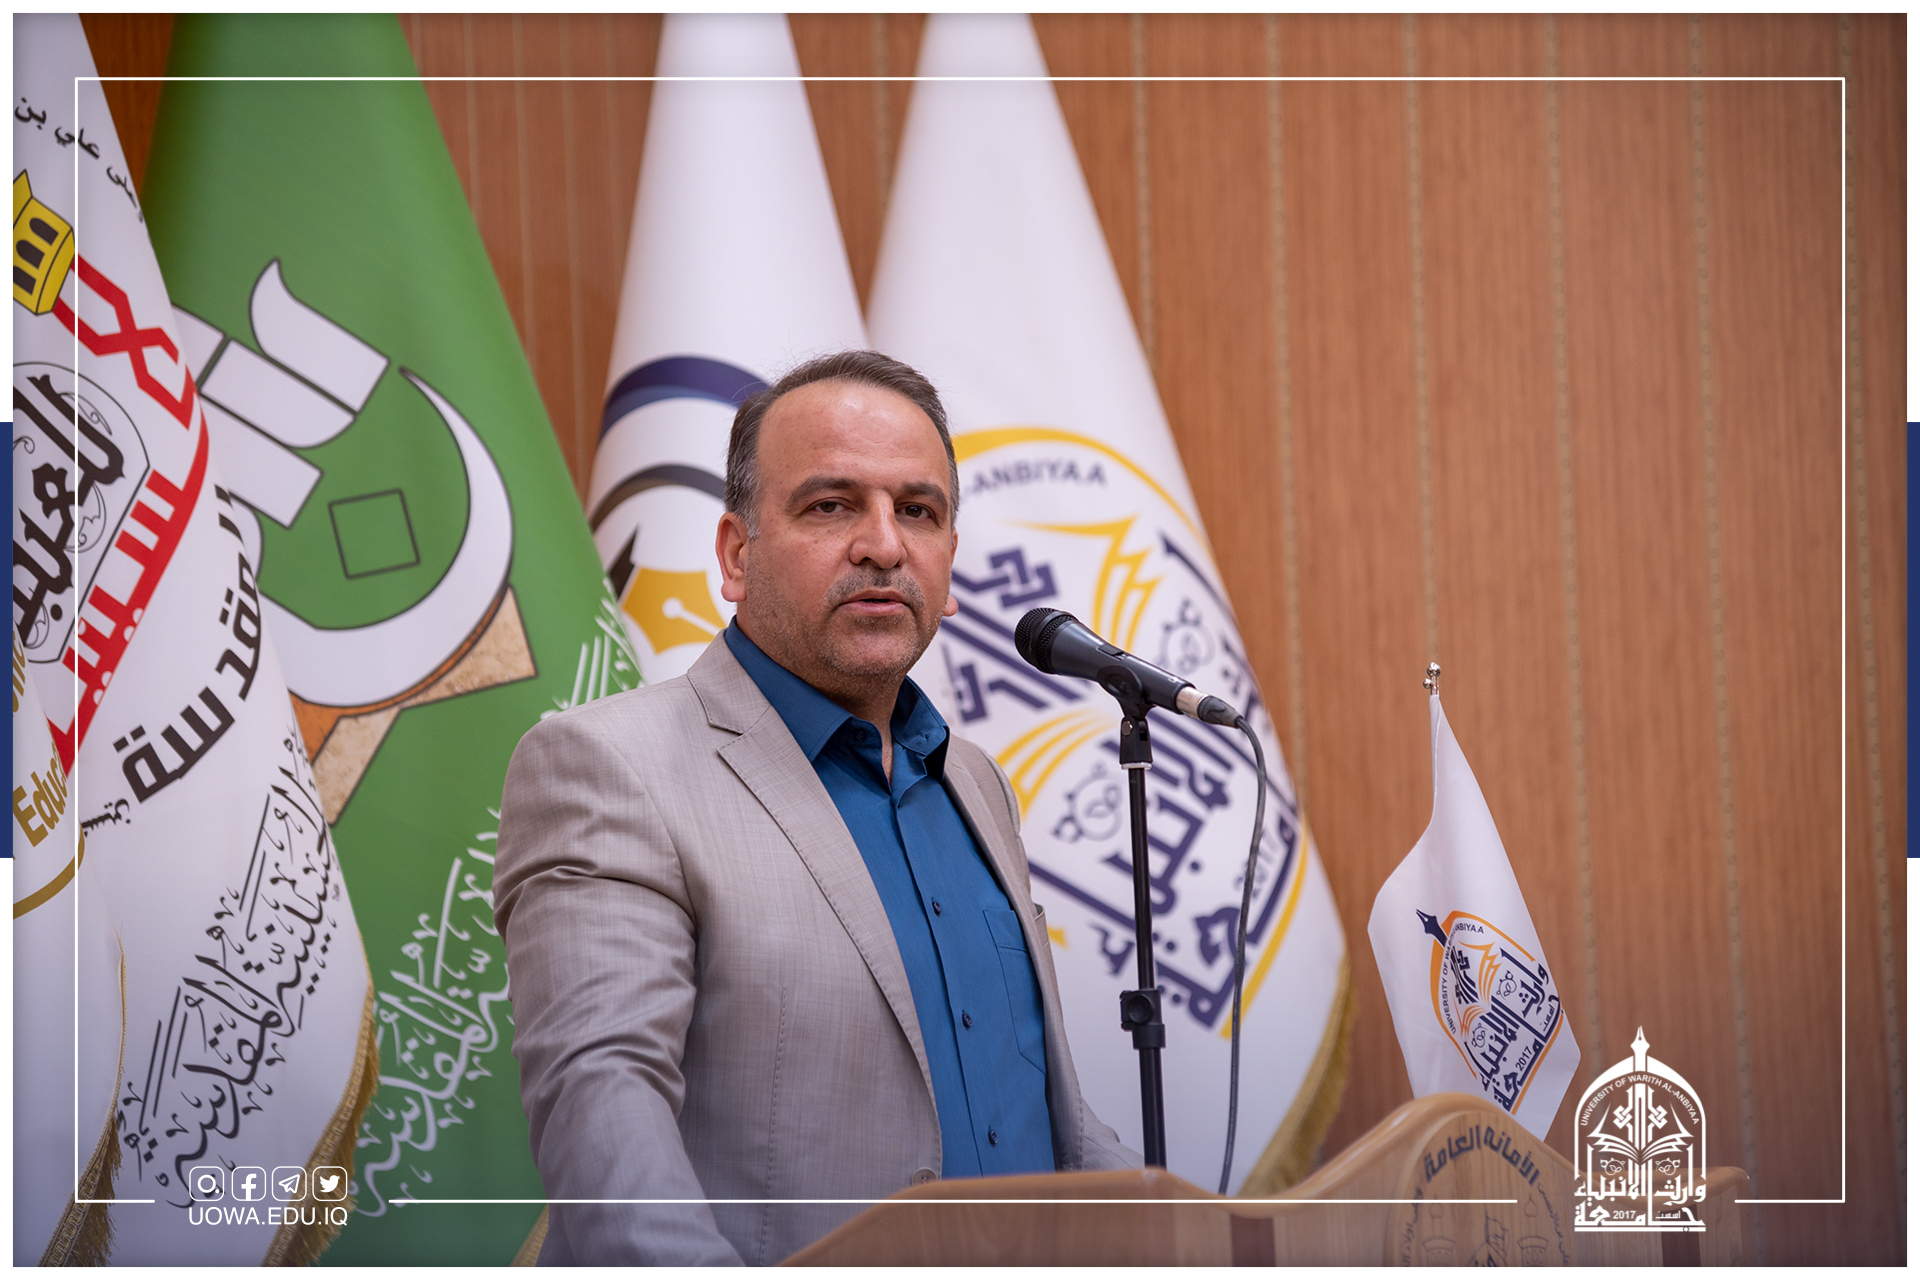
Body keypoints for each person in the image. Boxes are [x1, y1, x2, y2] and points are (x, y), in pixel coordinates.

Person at [494, 351, 1138, 1265]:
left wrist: (1194, 1239)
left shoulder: (976, 783)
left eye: (918, 511)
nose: (884, 545)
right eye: (832, 506)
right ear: (736, 554)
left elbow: (1044, 1111)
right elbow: (606, 1136)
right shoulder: (609, 767)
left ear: (950, 560)